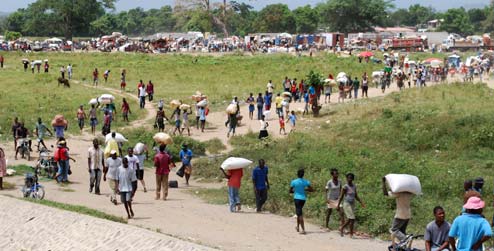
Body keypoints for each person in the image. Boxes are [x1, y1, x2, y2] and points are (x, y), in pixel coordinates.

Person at [382, 176, 414, 243]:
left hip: (400, 215)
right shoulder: (409, 193)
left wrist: (383, 182)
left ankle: (407, 238)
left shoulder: (398, 193)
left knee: (394, 230)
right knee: (402, 231)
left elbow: (385, 193)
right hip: (408, 215)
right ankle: (403, 246)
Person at [338, 173, 365, 238]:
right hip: (346, 204)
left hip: (352, 203)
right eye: (348, 178)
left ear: (352, 179)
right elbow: (341, 196)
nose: (349, 179)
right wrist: (338, 205)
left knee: (351, 219)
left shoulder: (354, 186)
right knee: (352, 218)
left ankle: (346, 230)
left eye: (351, 178)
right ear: (346, 178)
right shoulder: (345, 187)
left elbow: (355, 195)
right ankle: (347, 231)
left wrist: (361, 202)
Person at [290, 169, 314, 234]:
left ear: (297, 174)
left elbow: (290, 191)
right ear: (303, 175)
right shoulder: (306, 182)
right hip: (303, 199)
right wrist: (305, 189)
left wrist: (295, 191)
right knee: (298, 212)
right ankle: (297, 227)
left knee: (300, 214)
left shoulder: (294, 182)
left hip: (297, 198)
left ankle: (303, 230)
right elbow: (311, 189)